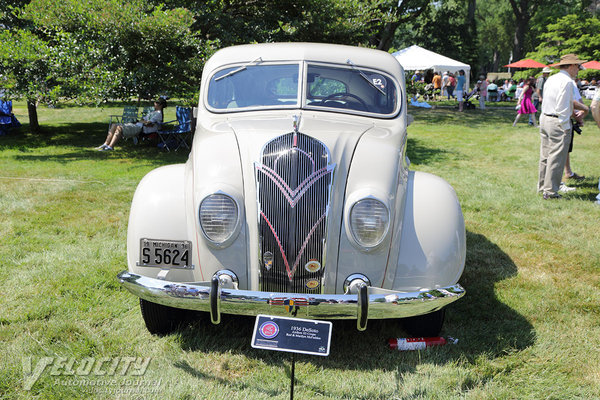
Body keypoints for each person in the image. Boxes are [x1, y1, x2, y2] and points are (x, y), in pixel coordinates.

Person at [538, 53, 587, 200]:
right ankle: (551, 193)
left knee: (545, 157)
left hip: (545, 118)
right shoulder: (567, 82)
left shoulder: (552, 78)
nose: (578, 69)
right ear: (571, 66)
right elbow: (563, 106)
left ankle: (542, 188)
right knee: (556, 158)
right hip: (558, 122)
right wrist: (571, 121)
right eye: (577, 66)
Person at [97, 98, 167, 151]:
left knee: (119, 128)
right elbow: (143, 120)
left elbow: (148, 123)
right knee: (114, 125)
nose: (154, 103)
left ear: (160, 105)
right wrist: (144, 121)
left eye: (156, 102)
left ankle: (111, 146)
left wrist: (144, 122)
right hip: (138, 125)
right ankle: (106, 143)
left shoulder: (158, 114)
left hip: (142, 129)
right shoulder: (152, 112)